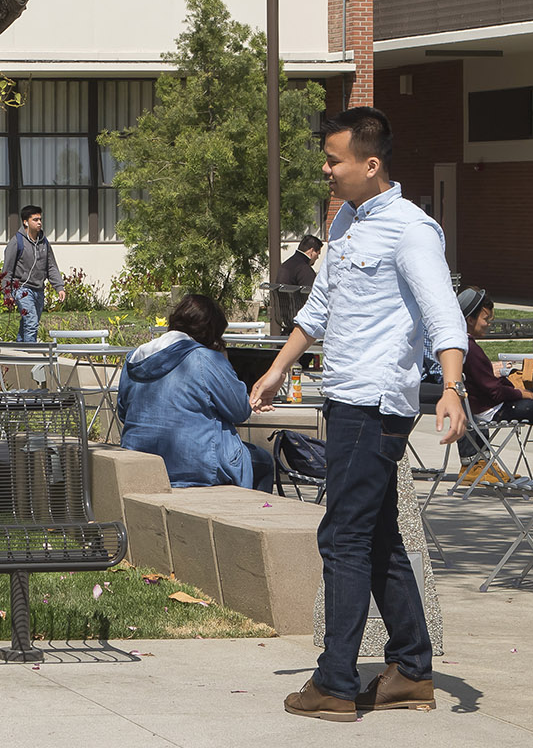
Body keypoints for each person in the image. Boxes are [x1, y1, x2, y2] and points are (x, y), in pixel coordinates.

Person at [248, 106, 468, 722]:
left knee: (342, 535)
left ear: (370, 165)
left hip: (375, 406)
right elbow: (317, 309)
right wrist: (276, 369)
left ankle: (335, 683)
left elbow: (444, 316)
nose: (326, 170)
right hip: (342, 398)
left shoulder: (412, 230)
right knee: (375, 537)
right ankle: (411, 670)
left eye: (334, 160)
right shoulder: (344, 220)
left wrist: (452, 387)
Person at [117, 294, 274, 493]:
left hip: (140, 460)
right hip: (195, 465)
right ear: (211, 333)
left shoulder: (134, 357)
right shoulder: (204, 359)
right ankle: (255, 519)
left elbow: (123, 412)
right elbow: (239, 411)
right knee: (263, 461)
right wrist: (222, 359)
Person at [453, 286, 533, 459]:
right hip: (498, 409)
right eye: (486, 319)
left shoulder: (464, 344)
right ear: (470, 319)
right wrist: (521, 394)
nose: (488, 324)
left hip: (495, 403)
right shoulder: (470, 348)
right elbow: (495, 392)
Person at [3, 204, 65, 342]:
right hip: (22, 289)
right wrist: (7, 293)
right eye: (35, 219)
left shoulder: (44, 243)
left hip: (38, 290)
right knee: (31, 322)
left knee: (27, 324)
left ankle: (19, 353)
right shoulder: (16, 242)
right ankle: (31, 357)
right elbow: (7, 271)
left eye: (40, 219)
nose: (39, 223)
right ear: (25, 222)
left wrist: (59, 287)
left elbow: (51, 267)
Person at [272, 235, 322, 337]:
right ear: (311, 251)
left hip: (285, 320)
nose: (318, 257)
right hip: (301, 324)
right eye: (318, 253)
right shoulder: (304, 270)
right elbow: (314, 298)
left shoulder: (286, 265)